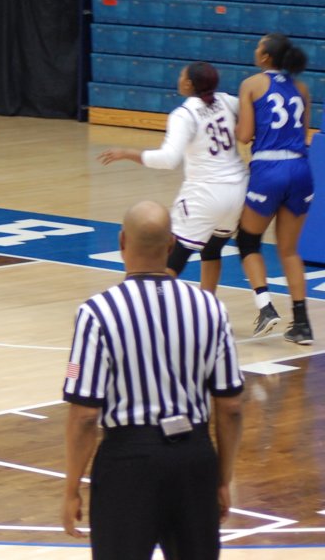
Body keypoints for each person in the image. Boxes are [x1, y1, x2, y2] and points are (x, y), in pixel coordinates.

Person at [62, 200, 244, 560]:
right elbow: (232, 407)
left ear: (122, 242)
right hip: (194, 459)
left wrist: (70, 489)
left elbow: (84, 416)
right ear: (172, 244)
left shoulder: (96, 313)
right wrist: (221, 479)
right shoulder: (211, 308)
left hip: (128, 463)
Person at [98, 62, 247, 294]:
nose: (178, 79)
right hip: (238, 190)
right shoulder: (228, 101)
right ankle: (207, 305)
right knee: (212, 250)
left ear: (189, 84)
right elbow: (254, 111)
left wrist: (128, 153)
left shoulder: (184, 115)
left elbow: (168, 159)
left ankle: (157, 305)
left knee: (172, 259)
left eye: (181, 75)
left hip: (205, 193)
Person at [235, 33, 315, 345]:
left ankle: (266, 307)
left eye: (259, 45)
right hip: (301, 168)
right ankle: (302, 324)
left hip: (269, 169)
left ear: (266, 57)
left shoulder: (251, 84)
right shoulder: (302, 88)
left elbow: (244, 135)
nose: (255, 49)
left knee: (248, 240)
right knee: (289, 250)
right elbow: (303, 133)